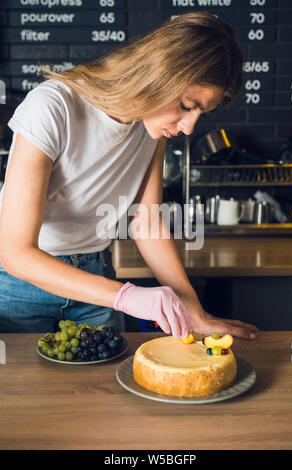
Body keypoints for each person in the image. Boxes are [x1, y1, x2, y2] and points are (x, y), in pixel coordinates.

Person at [0, 12, 258, 339]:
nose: (189, 126)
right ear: (159, 74)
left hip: (97, 273)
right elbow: (15, 254)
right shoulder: (52, 107)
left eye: (200, 113)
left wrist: (194, 310)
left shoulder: (155, 128)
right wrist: (126, 296)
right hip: (19, 286)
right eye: (185, 104)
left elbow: (146, 221)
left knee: (103, 389)